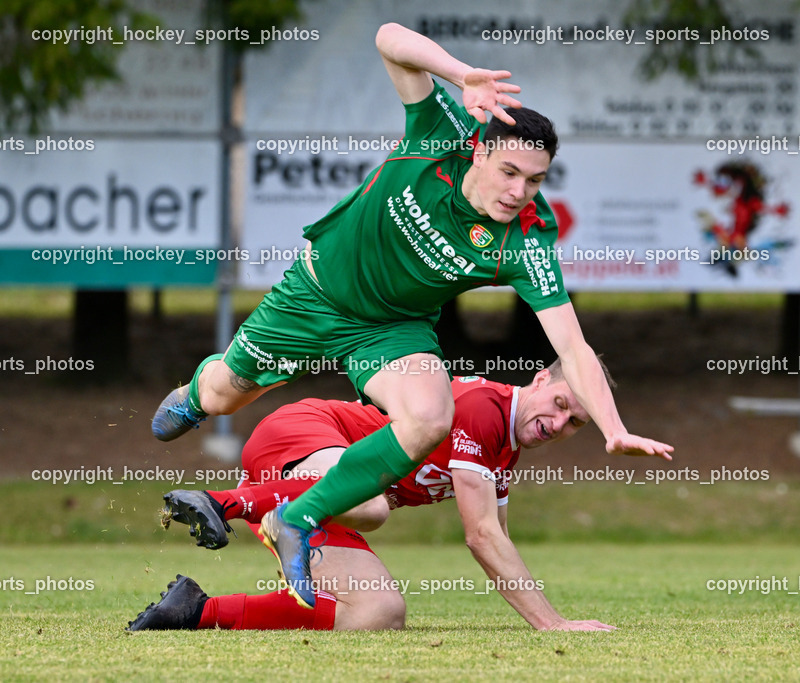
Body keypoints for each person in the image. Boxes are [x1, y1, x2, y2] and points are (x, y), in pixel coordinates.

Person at [151, 22, 673, 607]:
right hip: (315, 295)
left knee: (430, 417)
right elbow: (387, 37)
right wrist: (459, 73)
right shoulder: (441, 133)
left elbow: (573, 350)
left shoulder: (528, 241)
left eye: (535, 180)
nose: (519, 190)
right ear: (479, 150)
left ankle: (299, 516)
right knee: (228, 394)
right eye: (509, 172)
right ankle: (199, 392)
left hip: (392, 329)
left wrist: (614, 428)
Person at [130, 362, 618, 632]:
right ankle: (226, 503)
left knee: (378, 613)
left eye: (575, 422)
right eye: (559, 404)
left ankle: (193, 611)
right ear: (539, 380)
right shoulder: (487, 410)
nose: (558, 424)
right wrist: (553, 625)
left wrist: (544, 615)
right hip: (305, 433)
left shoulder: (505, 446)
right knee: (371, 505)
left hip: (322, 489)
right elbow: (482, 535)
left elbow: (500, 540)